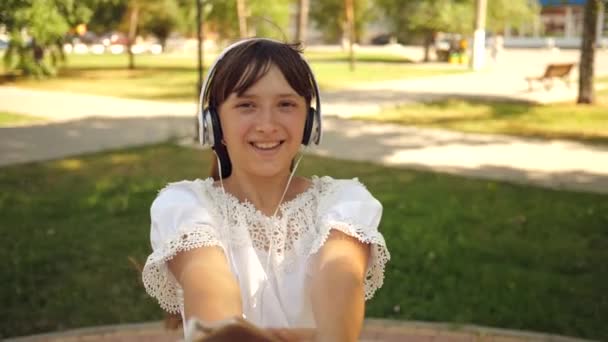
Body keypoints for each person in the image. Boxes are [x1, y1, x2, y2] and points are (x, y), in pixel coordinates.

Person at [142, 38, 390, 341]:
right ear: (214, 124)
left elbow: (340, 275)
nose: (267, 124)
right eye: (247, 105)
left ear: (310, 122)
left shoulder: (344, 203)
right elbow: (206, 278)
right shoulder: (187, 206)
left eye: (285, 104)